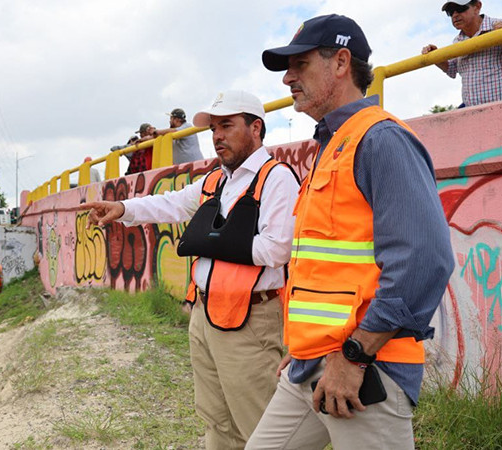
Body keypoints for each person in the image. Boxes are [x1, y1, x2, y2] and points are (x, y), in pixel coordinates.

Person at [248, 14, 455, 449]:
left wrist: (355, 354)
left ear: (341, 62)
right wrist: (307, 343)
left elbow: (424, 259)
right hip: (312, 364)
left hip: (363, 370)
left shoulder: (381, 139)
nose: (288, 78)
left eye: (299, 65)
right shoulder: (330, 146)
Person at [80, 90, 300, 449]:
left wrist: (212, 241)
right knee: (216, 419)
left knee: (259, 426)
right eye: (213, 128)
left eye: (227, 126)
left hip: (251, 320)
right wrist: (121, 208)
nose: (217, 136)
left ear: (256, 127)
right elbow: (171, 203)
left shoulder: (276, 178)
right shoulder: (218, 180)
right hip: (204, 315)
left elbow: (278, 248)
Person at [422, 1, 502, 107]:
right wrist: (435, 57)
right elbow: (451, 69)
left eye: (460, 8)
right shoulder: (458, 41)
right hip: (472, 111)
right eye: (450, 12)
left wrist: (501, 38)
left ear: (477, 7)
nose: (455, 15)